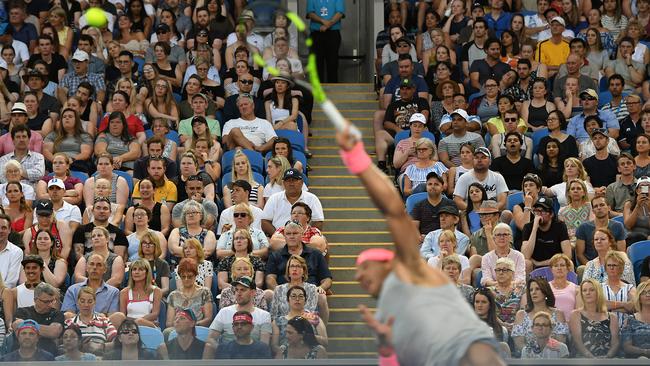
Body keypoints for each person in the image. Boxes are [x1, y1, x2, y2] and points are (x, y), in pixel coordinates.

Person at [338, 124, 504, 365]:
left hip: (467, 349)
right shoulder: (386, 311)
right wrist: (386, 349)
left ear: (384, 263)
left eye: (363, 267)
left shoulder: (412, 271)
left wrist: (358, 160)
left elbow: (394, 210)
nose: (357, 278)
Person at [207, 276, 272, 350]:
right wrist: (223, 351)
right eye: (236, 290)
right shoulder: (224, 312)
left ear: (253, 292)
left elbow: (264, 345)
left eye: (243, 290)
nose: (238, 293)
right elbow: (210, 339)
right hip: (228, 357)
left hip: (252, 357)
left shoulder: (264, 316)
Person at [265, 222, 332, 293]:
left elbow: (327, 279)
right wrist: (279, 291)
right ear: (284, 236)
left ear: (302, 234)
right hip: (284, 294)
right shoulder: (275, 255)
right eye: (288, 234)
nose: (291, 236)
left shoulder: (316, 254)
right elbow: (270, 278)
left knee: (321, 296)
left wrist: (321, 288)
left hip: (311, 293)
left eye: (295, 233)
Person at [512, 278, 569, 354]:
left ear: (545, 292)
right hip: (528, 359)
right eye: (531, 290)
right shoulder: (521, 314)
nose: (533, 292)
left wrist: (545, 355)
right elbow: (519, 344)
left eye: (537, 289)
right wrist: (535, 355)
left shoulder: (558, 314)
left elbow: (561, 342)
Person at [262, 169, 324, 236]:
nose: (291, 183)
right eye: (288, 180)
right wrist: (279, 235)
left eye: (294, 180)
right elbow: (265, 221)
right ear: (283, 183)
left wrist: (305, 236)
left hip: (306, 239)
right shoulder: (274, 198)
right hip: (279, 239)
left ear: (302, 182)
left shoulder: (312, 199)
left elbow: (318, 222)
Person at [569, 278, 620, 358]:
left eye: (591, 290)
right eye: (584, 290)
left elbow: (615, 342)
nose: (587, 293)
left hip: (607, 359)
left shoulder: (612, 317)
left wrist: (607, 357)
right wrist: (592, 358)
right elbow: (577, 341)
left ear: (598, 292)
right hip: (583, 359)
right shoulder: (576, 314)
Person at [61, 253, 120, 320]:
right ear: (86, 268)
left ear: (105, 269)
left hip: (102, 328)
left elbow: (112, 317)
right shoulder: (73, 289)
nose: (94, 268)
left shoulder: (114, 292)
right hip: (78, 327)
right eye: (92, 264)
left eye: (99, 265)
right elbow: (68, 314)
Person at [63, 286, 117, 357]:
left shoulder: (104, 321)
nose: (86, 305)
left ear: (94, 302)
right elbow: (62, 346)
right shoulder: (69, 323)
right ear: (77, 302)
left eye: (90, 301)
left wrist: (101, 346)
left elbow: (117, 342)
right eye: (82, 301)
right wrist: (80, 346)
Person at [12, 283, 64, 356]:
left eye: (52, 301)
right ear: (35, 300)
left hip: (48, 355)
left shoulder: (56, 314)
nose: (50, 304)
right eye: (46, 302)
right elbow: (16, 325)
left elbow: (54, 332)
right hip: (21, 356)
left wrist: (27, 326)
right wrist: (45, 330)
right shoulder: (22, 312)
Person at [271, 284, 328, 350]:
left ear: (305, 300)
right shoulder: (278, 321)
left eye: (301, 296)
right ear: (288, 300)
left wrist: (306, 336)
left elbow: (325, 342)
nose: (297, 299)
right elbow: (274, 346)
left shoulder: (315, 318)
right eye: (293, 296)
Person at [522, 197, 572, 271]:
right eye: (536, 211)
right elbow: (525, 255)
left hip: (555, 265)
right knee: (526, 263)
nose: (538, 214)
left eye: (542, 211)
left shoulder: (560, 226)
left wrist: (540, 263)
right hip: (534, 267)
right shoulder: (528, 227)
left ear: (551, 214)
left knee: (570, 263)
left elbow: (568, 255)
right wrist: (535, 228)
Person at [575, 196, 627, 266]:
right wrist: (591, 267)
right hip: (590, 266)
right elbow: (579, 254)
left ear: (609, 208)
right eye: (596, 206)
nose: (599, 208)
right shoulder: (583, 227)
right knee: (581, 269)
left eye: (602, 205)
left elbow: (621, 253)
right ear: (593, 211)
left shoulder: (618, 226)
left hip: (613, 265)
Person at [453, 147, 509, 211]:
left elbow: (502, 202)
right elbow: (457, 200)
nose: (479, 160)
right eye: (476, 157)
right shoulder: (464, 178)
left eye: (483, 157)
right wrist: (475, 210)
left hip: (493, 213)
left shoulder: (498, 177)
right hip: (471, 213)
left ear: (490, 161)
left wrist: (488, 211)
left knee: (507, 214)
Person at [166, 258, 213, 328]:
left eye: (190, 276)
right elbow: (169, 323)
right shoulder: (173, 295)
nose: (186, 279)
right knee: (167, 332)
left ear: (196, 275)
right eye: (183, 277)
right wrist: (181, 326)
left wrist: (191, 325)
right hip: (178, 330)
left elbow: (208, 319)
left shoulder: (205, 292)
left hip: (198, 328)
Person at [305, 0, 344, 82]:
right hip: (316, 34)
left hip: (333, 34)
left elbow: (340, 13)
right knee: (317, 63)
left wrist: (328, 25)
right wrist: (323, 21)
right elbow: (310, 13)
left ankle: (333, 90)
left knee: (332, 63)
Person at [119, 259, 162, 328]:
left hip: (149, 326)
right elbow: (123, 316)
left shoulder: (156, 291)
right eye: (134, 269)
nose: (136, 272)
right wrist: (136, 322)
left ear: (147, 273)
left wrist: (139, 321)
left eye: (140, 269)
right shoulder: (124, 292)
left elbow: (155, 314)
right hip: (129, 327)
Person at [410, 172, 454, 237]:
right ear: (426, 187)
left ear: (442, 188)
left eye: (436, 184)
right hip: (424, 240)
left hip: (445, 239)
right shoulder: (418, 205)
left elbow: (453, 226)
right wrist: (419, 237)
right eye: (430, 184)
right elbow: (414, 228)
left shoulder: (450, 204)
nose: (432, 186)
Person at [602, 250, 637, 326]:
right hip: (603, 331)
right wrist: (624, 305)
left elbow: (634, 307)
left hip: (625, 330)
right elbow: (599, 305)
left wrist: (609, 308)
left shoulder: (629, 288)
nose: (611, 268)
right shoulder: (599, 287)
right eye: (609, 265)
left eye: (614, 265)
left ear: (621, 268)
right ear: (605, 268)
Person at [621, 281, 650, 357]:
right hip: (638, 360)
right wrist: (645, 352)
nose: (647, 295)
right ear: (639, 298)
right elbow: (626, 347)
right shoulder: (630, 320)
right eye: (643, 293)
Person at [623, 175, 650, 244]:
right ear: (637, 191)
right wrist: (637, 206)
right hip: (633, 237)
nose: (646, 190)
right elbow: (628, 225)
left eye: (648, 187)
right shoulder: (629, 204)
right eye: (642, 187)